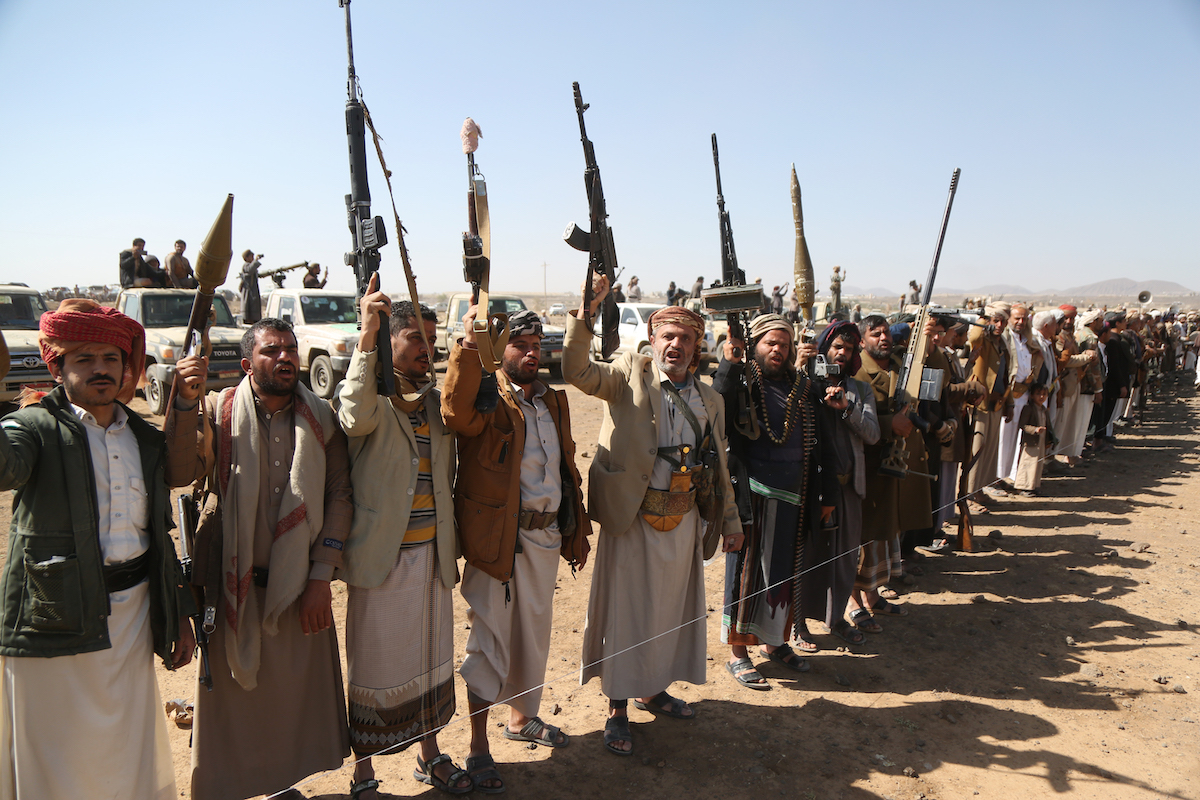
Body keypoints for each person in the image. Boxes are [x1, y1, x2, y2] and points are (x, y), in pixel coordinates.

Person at [0, 299, 204, 799]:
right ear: (58, 366)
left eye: (111, 358)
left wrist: (178, 612)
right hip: (54, 618)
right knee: (55, 748)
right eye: (84, 359)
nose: (100, 370)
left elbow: (159, 530)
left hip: (132, 615)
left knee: (122, 745)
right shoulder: (33, 427)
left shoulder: (142, 438)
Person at [562, 276, 742, 756]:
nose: (677, 346)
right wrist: (586, 311)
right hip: (633, 519)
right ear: (653, 339)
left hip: (683, 519)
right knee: (628, 612)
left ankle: (655, 688)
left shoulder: (711, 400)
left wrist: (730, 522)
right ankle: (618, 707)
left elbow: (719, 463)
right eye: (669, 337)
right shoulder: (630, 374)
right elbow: (577, 371)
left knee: (669, 612)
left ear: (698, 346)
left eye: (686, 339)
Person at [181, 318, 353, 800]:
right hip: (232, 586)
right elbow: (180, 467)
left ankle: (280, 788)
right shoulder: (216, 411)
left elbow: (341, 494)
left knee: (288, 703)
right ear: (246, 362)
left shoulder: (322, 416)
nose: (284, 358)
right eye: (271, 350)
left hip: (300, 585)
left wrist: (322, 576)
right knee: (233, 705)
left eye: (290, 349)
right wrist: (182, 405)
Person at [442, 307, 590, 792]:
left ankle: (522, 717)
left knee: (534, 638)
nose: (531, 353)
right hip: (499, 542)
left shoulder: (553, 401)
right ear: (500, 350)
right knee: (488, 641)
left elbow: (567, 467)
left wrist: (577, 528)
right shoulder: (490, 397)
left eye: (536, 344)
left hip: (545, 539)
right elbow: (455, 414)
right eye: (519, 345)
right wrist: (468, 347)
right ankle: (478, 746)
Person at [333, 279, 470, 798]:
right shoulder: (373, 400)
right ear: (389, 342)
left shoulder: (438, 402)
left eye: (430, 339)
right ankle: (364, 771)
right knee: (374, 664)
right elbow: (352, 415)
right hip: (381, 562)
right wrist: (367, 335)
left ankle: (429, 756)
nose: (425, 349)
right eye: (414, 337)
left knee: (431, 660)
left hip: (433, 556)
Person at [712, 314, 838, 689]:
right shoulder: (741, 381)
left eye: (783, 344)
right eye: (770, 343)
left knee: (785, 574)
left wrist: (826, 495)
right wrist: (728, 364)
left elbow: (823, 443)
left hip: (796, 497)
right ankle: (738, 652)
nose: (778, 350)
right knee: (746, 577)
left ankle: (775, 642)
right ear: (756, 345)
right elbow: (716, 409)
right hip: (752, 497)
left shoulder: (804, 386)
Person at [848, 315, 915, 632]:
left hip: (889, 464)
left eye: (886, 332)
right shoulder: (858, 372)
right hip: (864, 464)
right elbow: (857, 419)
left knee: (879, 535)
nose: (884, 338)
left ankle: (872, 595)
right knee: (859, 536)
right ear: (862, 341)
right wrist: (891, 426)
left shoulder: (898, 367)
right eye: (875, 334)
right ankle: (853, 601)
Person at [967, 304, 1011, 502]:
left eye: (1003, 321)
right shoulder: (983, 338)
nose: (1000, 325)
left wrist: (1008, 402)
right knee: (978, 448)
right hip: (981, 402)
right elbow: (974, 338)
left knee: (990, 449)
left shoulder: (1002, 342)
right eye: (996, 320)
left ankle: (979, 489)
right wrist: (983, 320)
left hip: (997, 402)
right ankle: (968, 495)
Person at [997, 303, 1042, 489]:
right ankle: (995, 478)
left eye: (1024, 319)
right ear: (1009, 320)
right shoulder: (1004, 339)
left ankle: (1007, 476)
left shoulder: (1028, 341)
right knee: (1002, 437)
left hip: (1023, 395)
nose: (1021, 322)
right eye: (1017, 318)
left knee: (1016, 438)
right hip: (1008, 395)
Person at [1014, 382, 1052, 496]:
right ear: (1031, 395)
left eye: (1044, 394)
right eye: (1038, 394)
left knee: (1038, 464)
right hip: (1030, 442)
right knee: (1028, 463)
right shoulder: (1028, 408)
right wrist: (1035, 430)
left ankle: (1033, 486)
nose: (1041, 397)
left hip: (1040, 442)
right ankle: (1023, 486)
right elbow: (1023, 425)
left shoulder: (1044, 409)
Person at [238, 250, 263, 324]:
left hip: (253, 293)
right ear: (247, 258)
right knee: (249, 313)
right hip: (249, 294)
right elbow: (250, 270)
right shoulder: (246, 266)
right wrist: (256, 260)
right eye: (251, 256)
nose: (252, 258)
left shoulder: (250, 266)